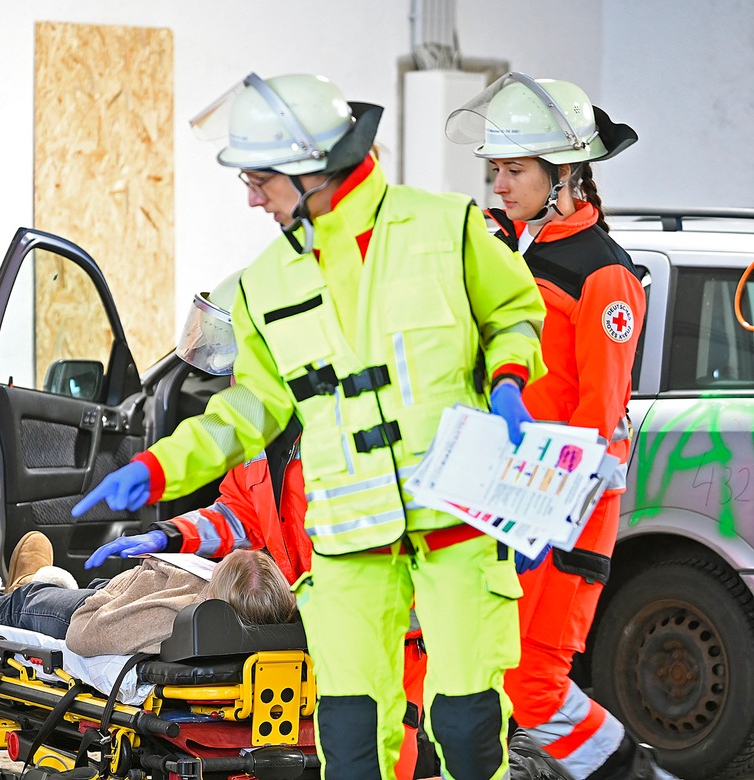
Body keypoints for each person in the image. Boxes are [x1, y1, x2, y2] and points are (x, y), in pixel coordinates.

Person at [72, 73, 548, 780]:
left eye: (262, 179)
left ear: (311, 171)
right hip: (347, 584)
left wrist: (509, 384)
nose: (250, 197)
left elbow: (511, 315)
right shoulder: (271, 284)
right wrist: (161, 482)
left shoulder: (447, 230)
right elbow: (245, 427)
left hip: (446, 564)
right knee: (354, 745)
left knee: (463, 732)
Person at [447, 73, 673, 780]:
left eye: (515, 170)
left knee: (532, 685)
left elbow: (601, 422)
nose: (500, 183)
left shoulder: (603, 275)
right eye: (494, 169)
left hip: (561, 508)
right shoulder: (505, 254)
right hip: (499, 499)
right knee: (482, 679)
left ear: (565, 173)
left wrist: (552, 515)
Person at [0, 535, 295, 657]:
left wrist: (126, 589)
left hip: (93, 614)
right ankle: (29, 580)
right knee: (45, 591)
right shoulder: (279, 616)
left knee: (26, 605)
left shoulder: (170, 614)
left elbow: (83, 634)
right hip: (116, 599)